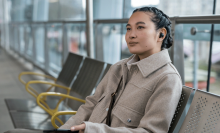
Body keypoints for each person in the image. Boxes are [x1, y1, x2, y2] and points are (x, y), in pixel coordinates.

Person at [5, 6, 182, 133]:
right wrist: (65, 129)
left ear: (161, 34)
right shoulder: (119, 68)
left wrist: (93, 129)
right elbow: (91, 104)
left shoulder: (167, 79)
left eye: (140, 27)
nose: (131, 34)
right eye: (128, 29)